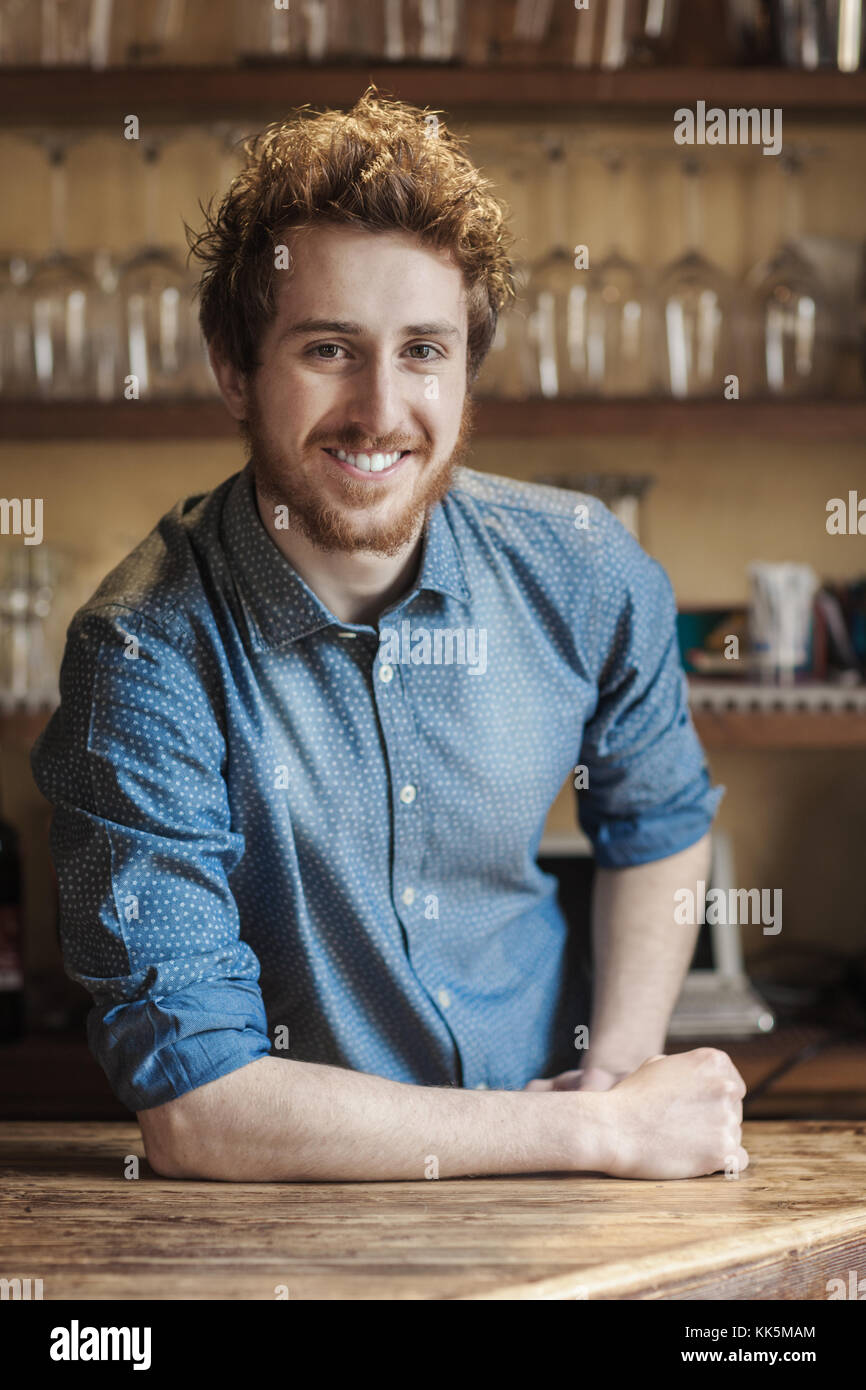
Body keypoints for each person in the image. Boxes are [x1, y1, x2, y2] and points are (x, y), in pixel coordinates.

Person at [31, 88, 747, 1183]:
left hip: (562, 1195)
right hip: (286, 1216)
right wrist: (596, 1133)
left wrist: (614, 1073)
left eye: (422, 351)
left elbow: (658, 819)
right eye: (329, 348)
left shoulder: (583, 567)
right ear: (233, 364)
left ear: (465, 371)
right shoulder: (141, 656)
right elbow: (201, 1110)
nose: (379, 409)